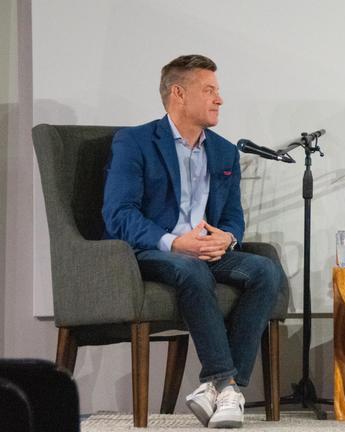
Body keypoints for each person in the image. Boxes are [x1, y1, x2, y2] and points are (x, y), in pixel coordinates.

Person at [102, 54, 281, 429]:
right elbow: (119, 214)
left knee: (265, 271)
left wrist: (226, 238)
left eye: (218, 91)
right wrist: (173, 242)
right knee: (191, 270)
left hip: (206, 251)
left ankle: (219, 389)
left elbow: (233, 215)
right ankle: (225, 382)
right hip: (154, 251)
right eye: (210, 90)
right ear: (178, 93)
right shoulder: (134, 142)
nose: (219, 99)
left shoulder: (223, 150)